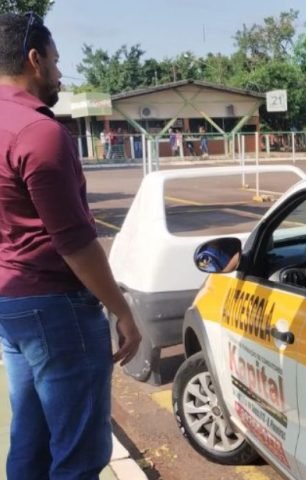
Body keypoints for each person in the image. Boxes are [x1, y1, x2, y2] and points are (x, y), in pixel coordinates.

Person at [0, 13, 141, 480]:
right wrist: (121, 310)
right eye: (56, 61)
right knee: (79, 454)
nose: (60, 73)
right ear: (34, 59)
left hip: (12, 304)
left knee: (31, 439)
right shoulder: (39, 133)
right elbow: (75, 243)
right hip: (57, 309)